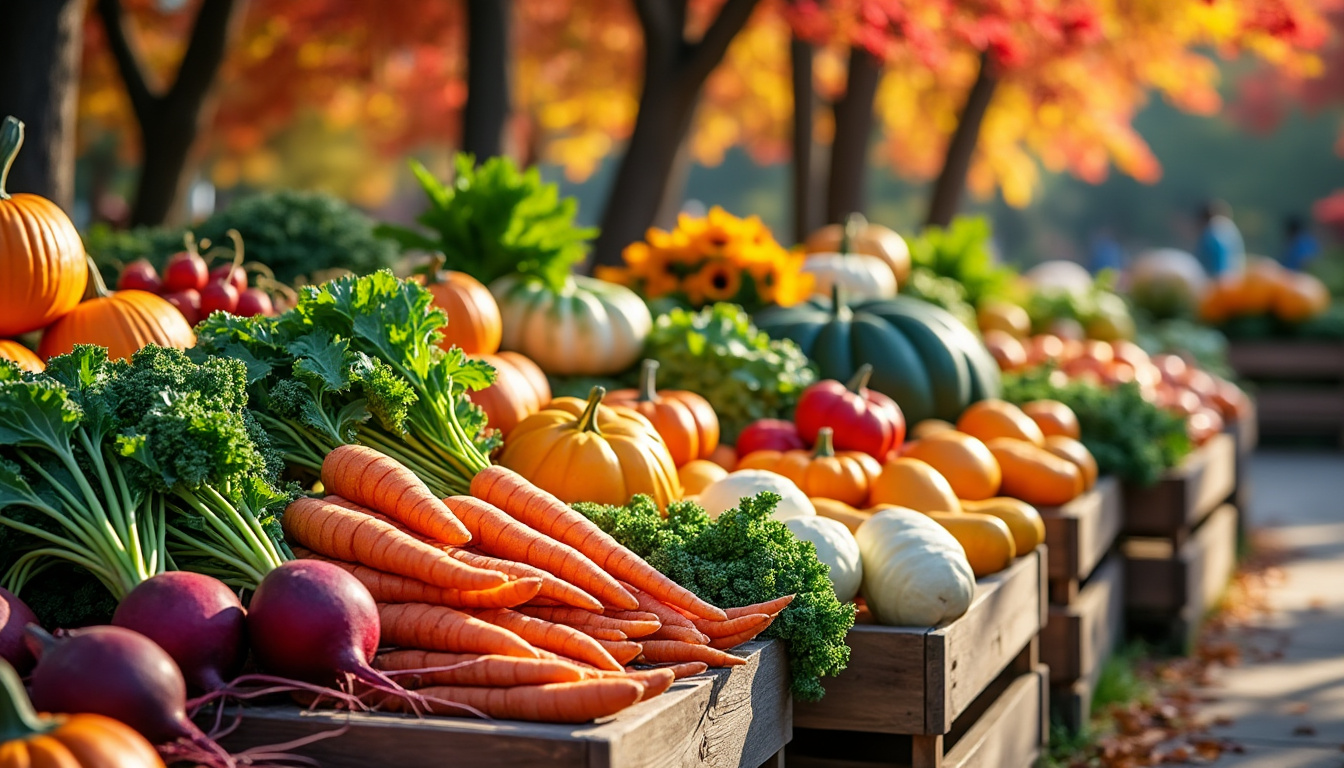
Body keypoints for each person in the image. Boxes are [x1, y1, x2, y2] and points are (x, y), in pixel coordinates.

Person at [1196, 200, 1245, 277]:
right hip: (1235, 276)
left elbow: (1219, 256)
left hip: (1220, 279)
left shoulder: (1214, 230)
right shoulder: (1228, 226)